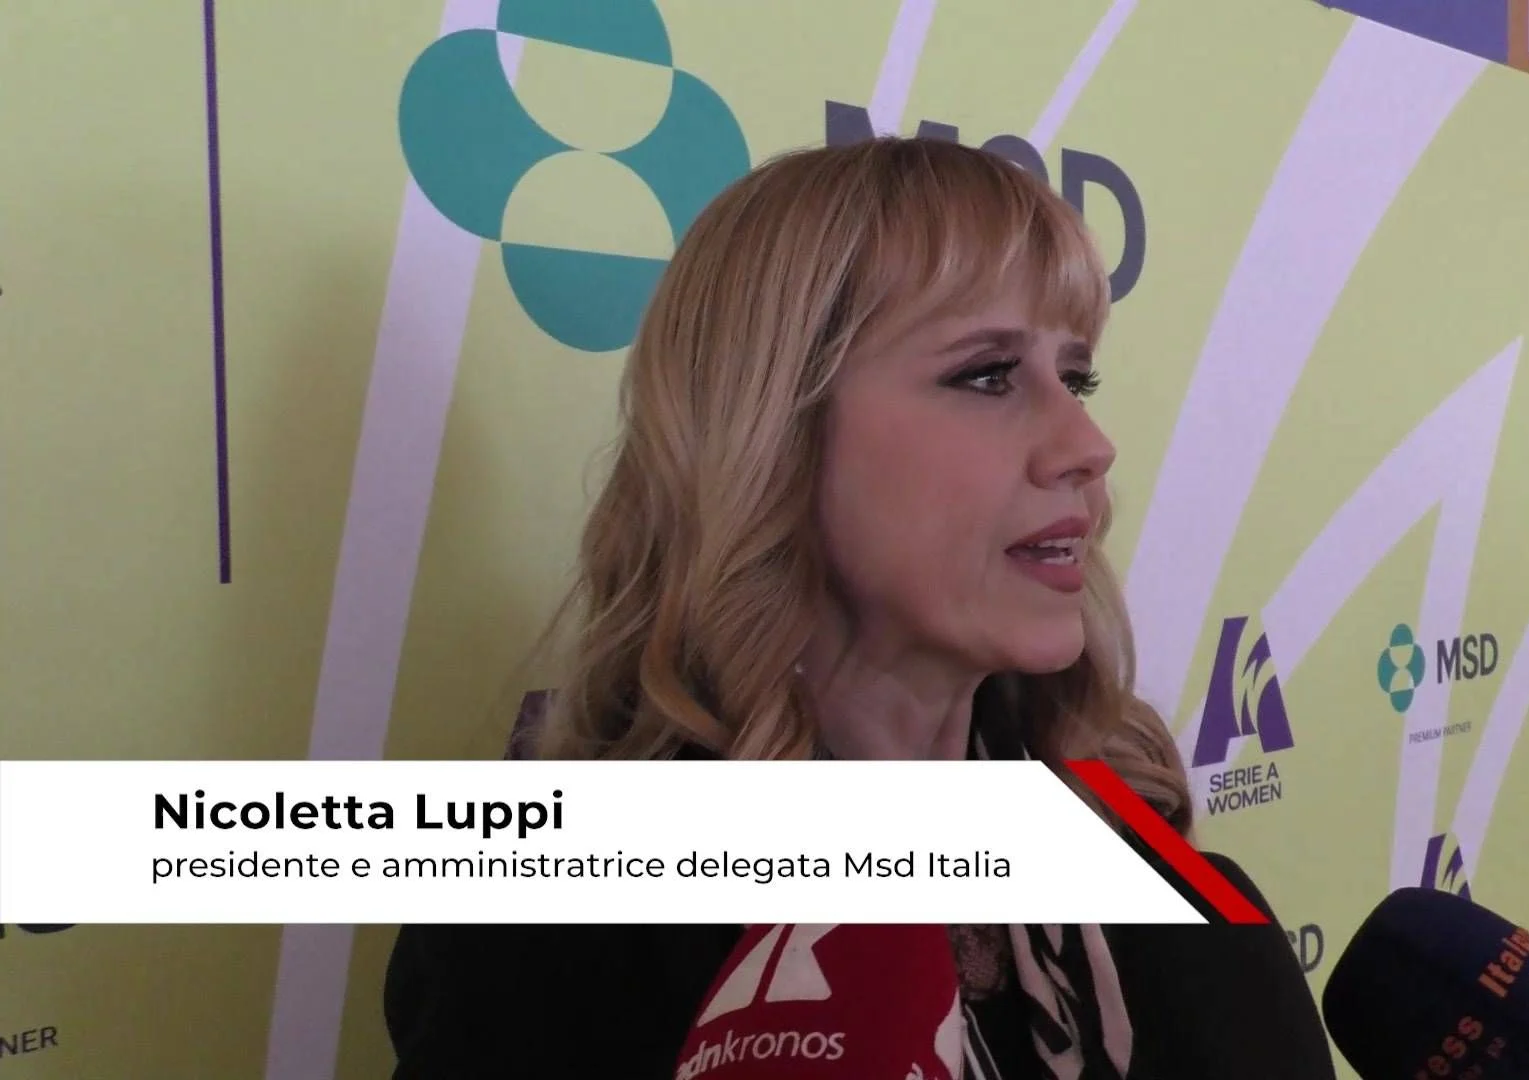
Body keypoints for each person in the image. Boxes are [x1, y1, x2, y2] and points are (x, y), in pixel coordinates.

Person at [382, 137, 1336, 1079]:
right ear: (773, 433)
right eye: (988, 375)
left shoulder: (1155, 875)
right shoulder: (558, 927)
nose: (1087, 444)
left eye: (1075, 378)